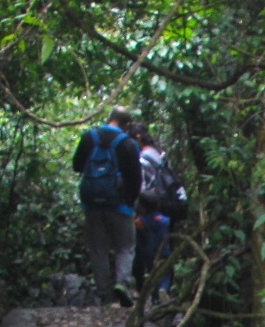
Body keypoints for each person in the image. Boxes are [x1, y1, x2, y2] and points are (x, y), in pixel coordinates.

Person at [72, 106, 143, 305]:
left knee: (97, 248)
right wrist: (131, 202)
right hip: (119, 204)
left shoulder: (89, 137)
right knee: (125, 247)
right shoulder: (128, 144)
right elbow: (136, 179)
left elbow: (77, 165)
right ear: (126, 124)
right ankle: (122, 284)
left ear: (110, 119)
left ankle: (104, 294)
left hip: (92, 204)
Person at [132, 125, 187, 297]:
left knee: (143, 250)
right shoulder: (161, 155)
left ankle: (142, 289)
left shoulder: (142, 158)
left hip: (147, 209)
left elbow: (141, 185)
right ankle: (165, 286)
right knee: (164, 248)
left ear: (138, 138)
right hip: (166, 209)